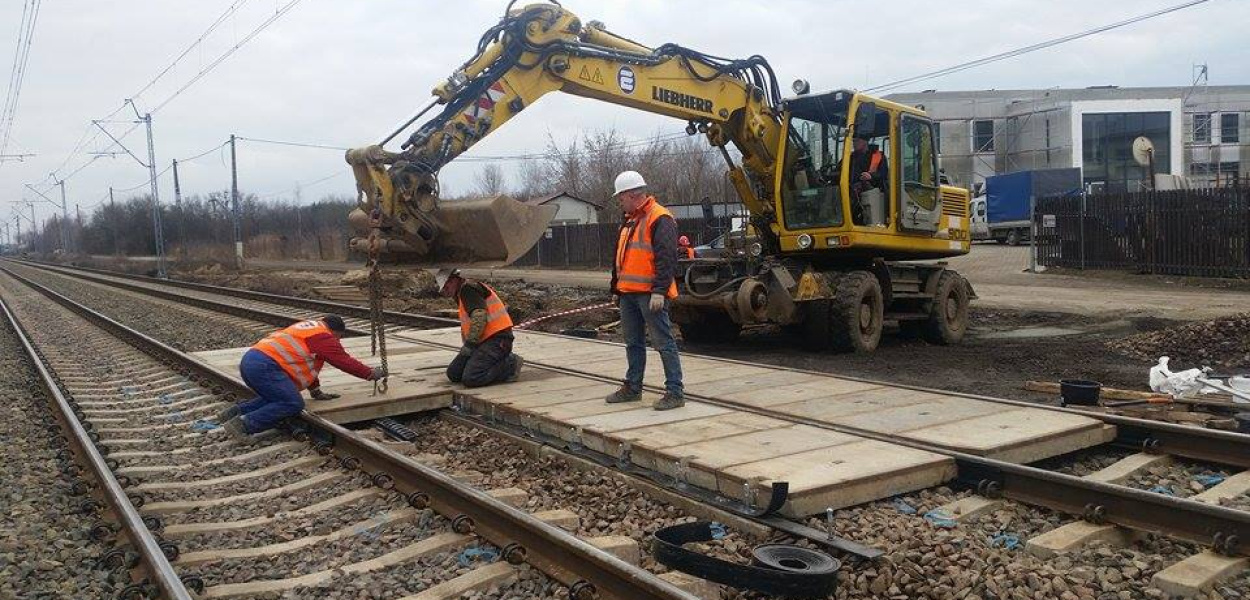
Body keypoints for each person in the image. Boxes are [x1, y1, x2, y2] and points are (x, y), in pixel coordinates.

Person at [219, 315, 384, 438]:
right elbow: (343, 361)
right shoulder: (324, 337)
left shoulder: (309, 328)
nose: (339, 341)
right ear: (336, 332)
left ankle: (233, 413)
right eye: (340, 337)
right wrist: (370, 373)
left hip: (252, 361)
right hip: (266, 366)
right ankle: (243, 425)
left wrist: (316, 391)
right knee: (292, 402)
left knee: (277, 398)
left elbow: (309, 364)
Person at [605, 170, 685, 411]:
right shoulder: (630, 218)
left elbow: (666, 258)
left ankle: (675, 392)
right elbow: (621, 257)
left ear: (632, 194)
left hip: (650, 294)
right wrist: (616, 288)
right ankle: (633, 387)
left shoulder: (659, 217)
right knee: (633, 342)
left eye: (621, 197)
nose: (619, 201)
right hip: (628, 293)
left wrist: (659, 291)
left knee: (663, 342)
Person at [439, 269, 525, 387]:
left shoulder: (468, 289)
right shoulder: (461, 293)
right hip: (483, 341)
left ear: (453, 280)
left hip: (498, 340)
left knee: (472, 378)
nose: (445, 291)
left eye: (446, 287)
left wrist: (470, 345)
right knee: (454, 374)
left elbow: (479, 316)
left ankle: (510, 364)